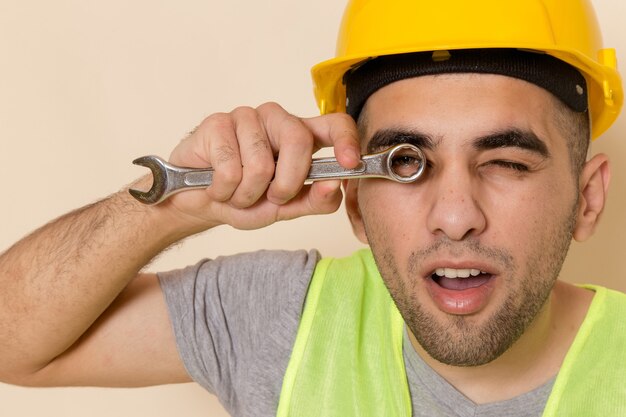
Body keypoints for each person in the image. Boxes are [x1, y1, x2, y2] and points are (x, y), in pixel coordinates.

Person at [0, 0, 624, 416]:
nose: (455, 215)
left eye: (507, 163)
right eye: (407, 162)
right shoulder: (284, 320)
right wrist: (175, 203)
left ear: (587, 198)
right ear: (352, 199)